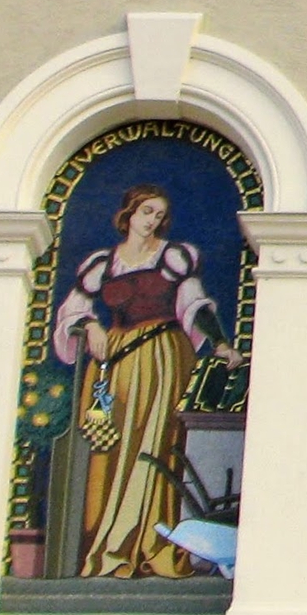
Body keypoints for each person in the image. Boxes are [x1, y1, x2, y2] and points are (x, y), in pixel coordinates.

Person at [49, 185, 245, 578]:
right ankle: (108, 545)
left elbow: (193, 304)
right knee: (111, 444)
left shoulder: (173, 257)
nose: (152, 220)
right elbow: (73, 309)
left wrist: (221, 343)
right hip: (116, 361)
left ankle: (153, 544)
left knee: (156, 443)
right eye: (147, 212)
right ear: (129, 213)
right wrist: (90, 326)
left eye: (158, 214)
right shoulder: (103, 263)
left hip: (161, 355)